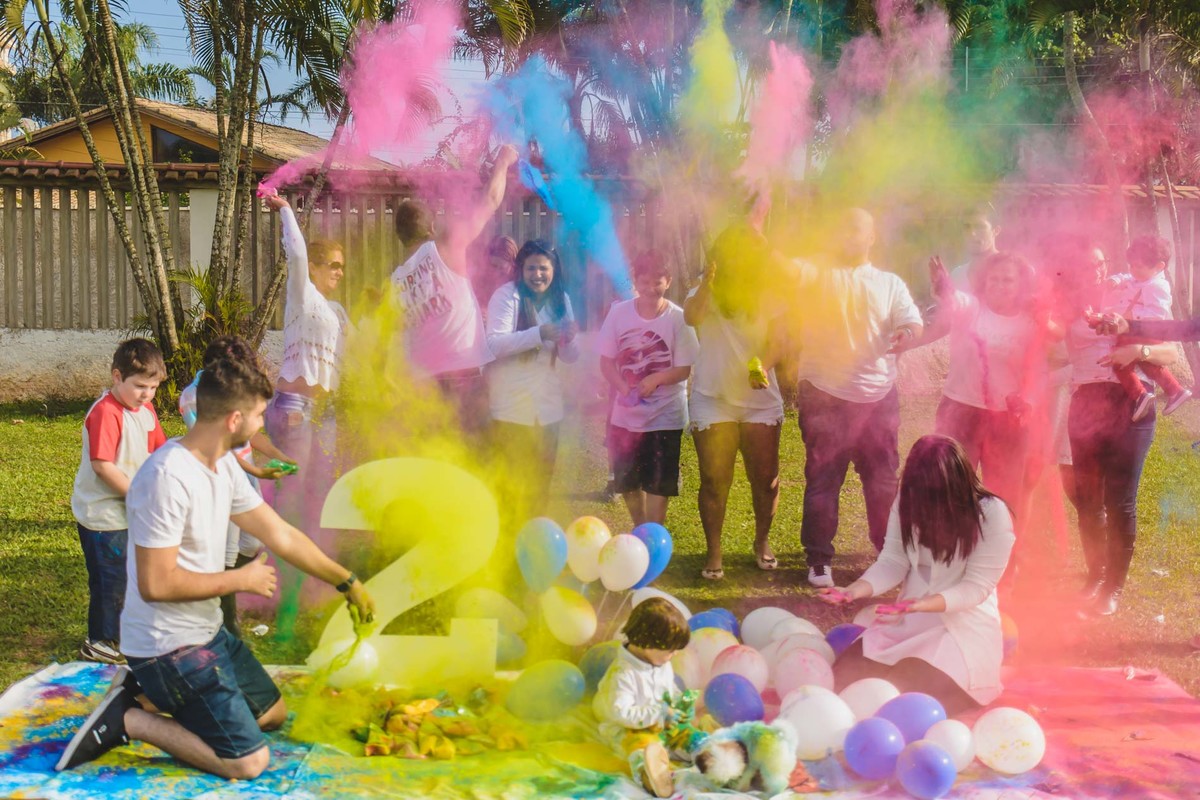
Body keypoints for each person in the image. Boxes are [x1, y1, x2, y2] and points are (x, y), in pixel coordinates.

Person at [56, 356, 375, 780]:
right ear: (234, 419)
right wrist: (240, 579)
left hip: (207, 632)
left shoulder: (222, 462)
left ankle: (142, 695)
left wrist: (346, 581)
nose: (262, 424)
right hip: (167, 646)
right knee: (248, 761)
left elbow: (279, 534)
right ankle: (130, 720)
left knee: (272, 715)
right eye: (259, 416)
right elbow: (155, 584)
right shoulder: (165, 478)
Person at [818, 435, 1016, 717]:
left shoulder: (991, 513)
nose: (926, 501)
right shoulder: (909, 500)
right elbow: (893, 561)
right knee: (843, 681)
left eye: (934, 492)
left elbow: (976, 588)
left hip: (960, 632)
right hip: (908, 623)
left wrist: (922, 604)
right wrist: (853, 590)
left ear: (957, 483)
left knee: (900, 697)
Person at [785, 208, 923, 587]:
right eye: (842, 228)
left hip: (878, 397)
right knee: (823, 480)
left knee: (882, 482)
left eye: (857, 228)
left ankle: (887, 555)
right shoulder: (816, 273)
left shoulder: (889, 283)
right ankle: (819, 561)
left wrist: (907, 334)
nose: (849, 234)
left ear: (871, 237)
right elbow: (785, 271)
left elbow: (912, 322)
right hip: (824, 395)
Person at [1061, 242, 1175, 616]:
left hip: (1131, 404)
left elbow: (1170, 352)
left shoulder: (1133, 290)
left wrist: (1139, 352)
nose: (1094, 270)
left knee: (1120, 499)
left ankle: (1113, 587)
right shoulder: (1065, 305)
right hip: (1086, 402)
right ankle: (1095, 576)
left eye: (1099, 263)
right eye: (1084, 265)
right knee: (1088, 499)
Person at [901, 252, 1049, 514]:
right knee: (952, 486)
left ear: (1020, 285)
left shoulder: (1028, 323)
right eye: (994, 279)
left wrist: (1027, 401)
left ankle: (998, 540)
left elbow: (1037, 371)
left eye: (1007, 280)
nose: (1000, 285)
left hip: (1007, 420)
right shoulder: (971, 308)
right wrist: (942, 285)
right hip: (961, 411)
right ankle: (954, 540)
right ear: (984, 281)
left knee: (1003, 496)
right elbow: (953, 299)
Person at [391, 144, 520, 434]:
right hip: (464, 377)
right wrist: (503, 161)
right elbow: (490, 199)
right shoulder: (444, 247)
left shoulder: (395, 282)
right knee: (475, 455)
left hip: (425, 386)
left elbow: (403, 339)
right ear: (431, 227)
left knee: (438, 457)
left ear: (399, 236)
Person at [684, 223, 784, 580]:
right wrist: (707, 285)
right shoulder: (705, 288)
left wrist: (763, 366)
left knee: (766, 479)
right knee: (714, 480)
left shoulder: (770, 292)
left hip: (760, 399)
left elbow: (779, 341)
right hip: (713, 398)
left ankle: (762, 541)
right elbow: (691, 317)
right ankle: (714, 551)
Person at [178, 336, 295, 637]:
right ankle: (227, 622)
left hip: (245, 477)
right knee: (227, 549)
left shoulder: (233, 391)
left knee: (252, 544)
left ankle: (224, 594)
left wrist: (279, 455)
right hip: (220, 479)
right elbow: (217, 447)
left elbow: (250, 434)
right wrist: (256, 470)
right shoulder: (192, 397)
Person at [71, 338, 168, 665]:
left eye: (153, 387)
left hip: (131, 511)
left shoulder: (146, 410)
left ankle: (125, 633)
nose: (147, 394)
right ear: (117, 376)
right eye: (140, 386)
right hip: (102, 516)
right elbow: (103, 466)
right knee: (110, 580)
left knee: (131, 575)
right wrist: (139, 495)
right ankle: (100, 642)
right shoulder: (106, 412)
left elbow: (159, 449)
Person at [261, 191, 348, 545]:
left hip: (325, 411)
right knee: (293, 488)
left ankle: (309, 553)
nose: (340, 272)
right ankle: (277, 554)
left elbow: (363, 347)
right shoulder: (303, 294)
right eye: (333, 265)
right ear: (314, 267)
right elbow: (295, 253)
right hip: (294, 408)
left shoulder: (337, 311)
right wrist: (284, 209)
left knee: (321, 487)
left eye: (342, 267)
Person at [598, 253, 700, 525]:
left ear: (668, 281)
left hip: (665, 416)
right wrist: (623, 387)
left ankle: (653, 534)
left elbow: (684, 369)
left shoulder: (678, 318)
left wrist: (656, 380)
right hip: (625, 417)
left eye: (658, 282)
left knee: (658, 483)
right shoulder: (619, 313)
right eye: (644, 282)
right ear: (635, 281)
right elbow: (606, 363)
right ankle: (640, 528)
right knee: (628, 482)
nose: (651, 289)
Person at [486, 239, 580, 516]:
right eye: (531, 268)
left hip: (548, 410)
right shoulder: (506, 296)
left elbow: (571, 357)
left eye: (543, 268)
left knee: (540, 485)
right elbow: (494, 344)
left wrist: (569, 340)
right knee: (510, 485)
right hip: (511, 410)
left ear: (554, 270)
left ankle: (534, 536)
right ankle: (508, 538)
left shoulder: (561, 299)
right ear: (521, 270)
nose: (537, 275)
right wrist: (540, 333)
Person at [593, 597, 692, 798]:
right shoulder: (623, 674)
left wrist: (678, 701)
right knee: (641, 746)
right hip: (627, 729)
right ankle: (649, 776)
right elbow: (621, 713)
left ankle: (708, 754)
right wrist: (659, 713)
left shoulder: (660, 662)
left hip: (660, 721)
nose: (674, 654)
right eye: (670, 650)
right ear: (648, 643)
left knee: (686, 734)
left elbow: (668, 687)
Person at [1103, 235, 1191, 421]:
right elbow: (1127, 277)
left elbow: (1157, 314)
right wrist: (1116, 280)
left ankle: (1140, 395)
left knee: (1120, 362)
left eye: (1138, 266)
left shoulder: (1157, 286)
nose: (1132, 270)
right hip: (1136, 330)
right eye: (1131, 265)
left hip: (1145, 331)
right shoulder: (1139, 277)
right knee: (1148, 364)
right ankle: (1175, 390)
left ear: (1159, 266)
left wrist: (1131, 317)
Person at [948, 204, 1002, 293]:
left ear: (996, 231)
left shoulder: (1012, 272)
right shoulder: (957, 275)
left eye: (980, 227)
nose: (972, 233)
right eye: (967, 227)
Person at [474, 234, 518, 312]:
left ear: (512, 267)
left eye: (502, 269)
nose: (496, 273)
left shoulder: (517, 289)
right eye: (493, 266)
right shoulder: (476, 280)